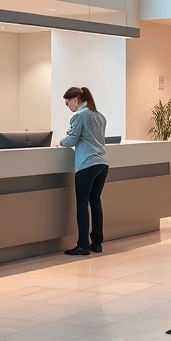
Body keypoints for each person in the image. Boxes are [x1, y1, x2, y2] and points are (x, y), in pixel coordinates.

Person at [60, 86, 109, 256]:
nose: (68, 108)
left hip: (86, 164)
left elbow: (70, 140)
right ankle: (97, 243)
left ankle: (82, 245)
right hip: (102, 164)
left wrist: (59, 141)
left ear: (75, 100)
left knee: (82, 204)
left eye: (67, 104)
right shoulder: (99, 116)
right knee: (95, 202)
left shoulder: (79, 116)